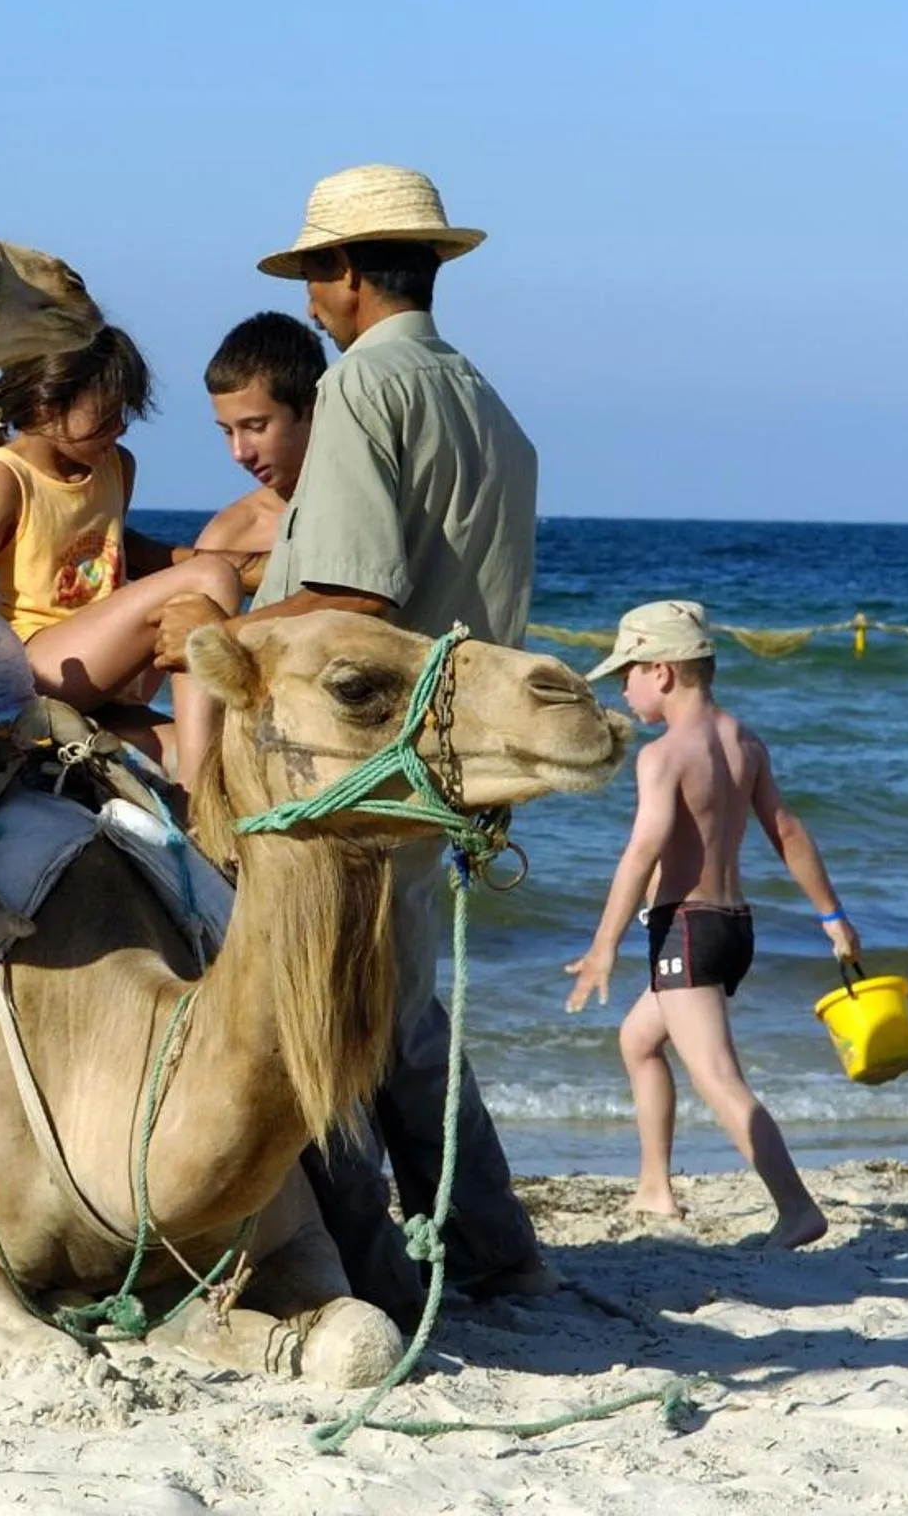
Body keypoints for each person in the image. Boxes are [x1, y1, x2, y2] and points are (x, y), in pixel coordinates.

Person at [151, 163, 554, 1317]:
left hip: (359, 757)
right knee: (405, 1018)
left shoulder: (368, 390)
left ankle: (366, 1270)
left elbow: (349, 598)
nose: (313, 300)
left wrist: (210, 629)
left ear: (341, 273)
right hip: (445, 757)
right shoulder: (484, 399)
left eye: (313, 274)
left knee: (320, 1016)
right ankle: (494, 1253)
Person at [562, 600, 854, 1249]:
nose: (621, 686)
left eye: (627, 672)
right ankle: (654, 1190)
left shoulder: (662, 756)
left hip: (685, 932)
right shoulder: (743, 740)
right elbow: (785, 830)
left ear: (661, 672)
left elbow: (641, 852)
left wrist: (602, 947)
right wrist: (832, 917)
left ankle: (797, 1208)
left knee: (717, 1079)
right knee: (638, 1040)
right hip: (731, 928)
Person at [0, 325, 247, 778]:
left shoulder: (117, 466)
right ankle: (195, 796)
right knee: (212, 577)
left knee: (230, 764)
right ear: (47, 404)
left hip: (106, 683)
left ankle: (199, 775)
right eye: (107, 414)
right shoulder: (7, 477)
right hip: (38, 672)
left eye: (124, 413)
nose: (120, 427)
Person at [189, 311, 326, 570]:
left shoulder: (384, 503)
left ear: (311, 408)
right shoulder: (228, 536)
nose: (239, 453)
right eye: (227, 432)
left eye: (255, 427)